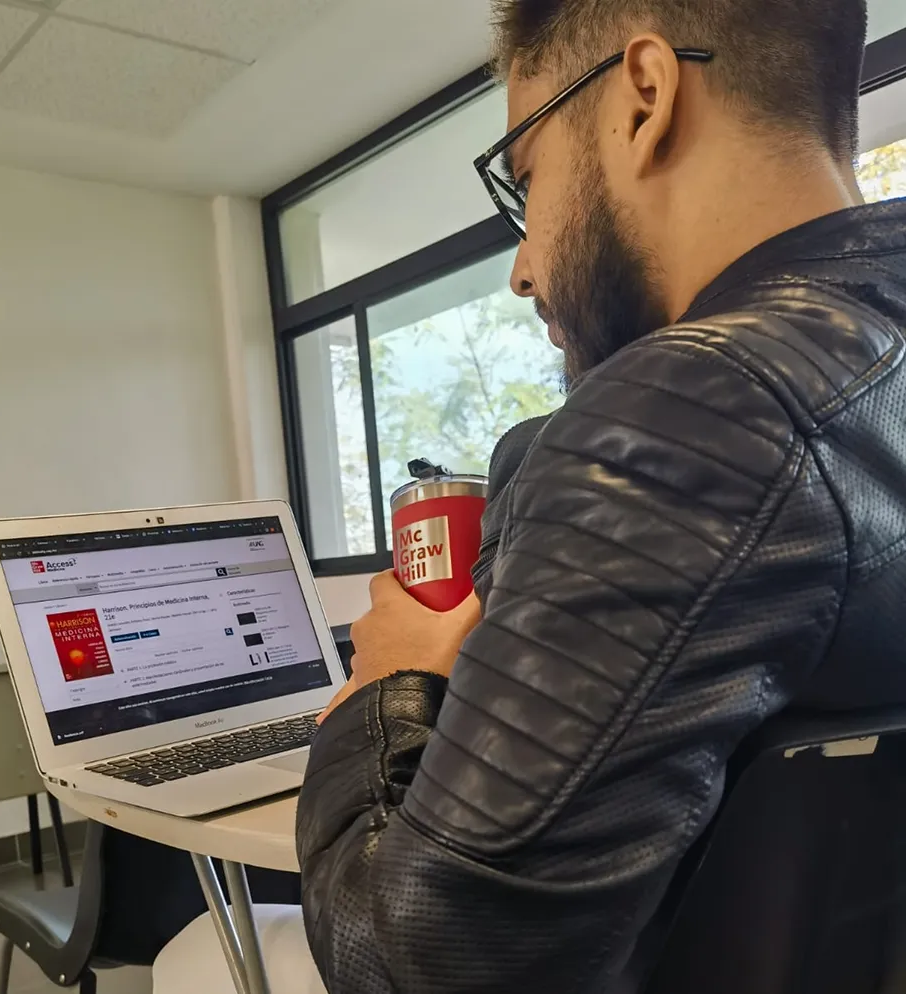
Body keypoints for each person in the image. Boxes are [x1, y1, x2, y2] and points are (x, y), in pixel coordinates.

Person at [296, 0, 906, 990]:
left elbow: (412, 960)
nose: (523, 267)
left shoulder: (697, 403)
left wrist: (389, 685)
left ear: (644, 98)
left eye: (526, 178)